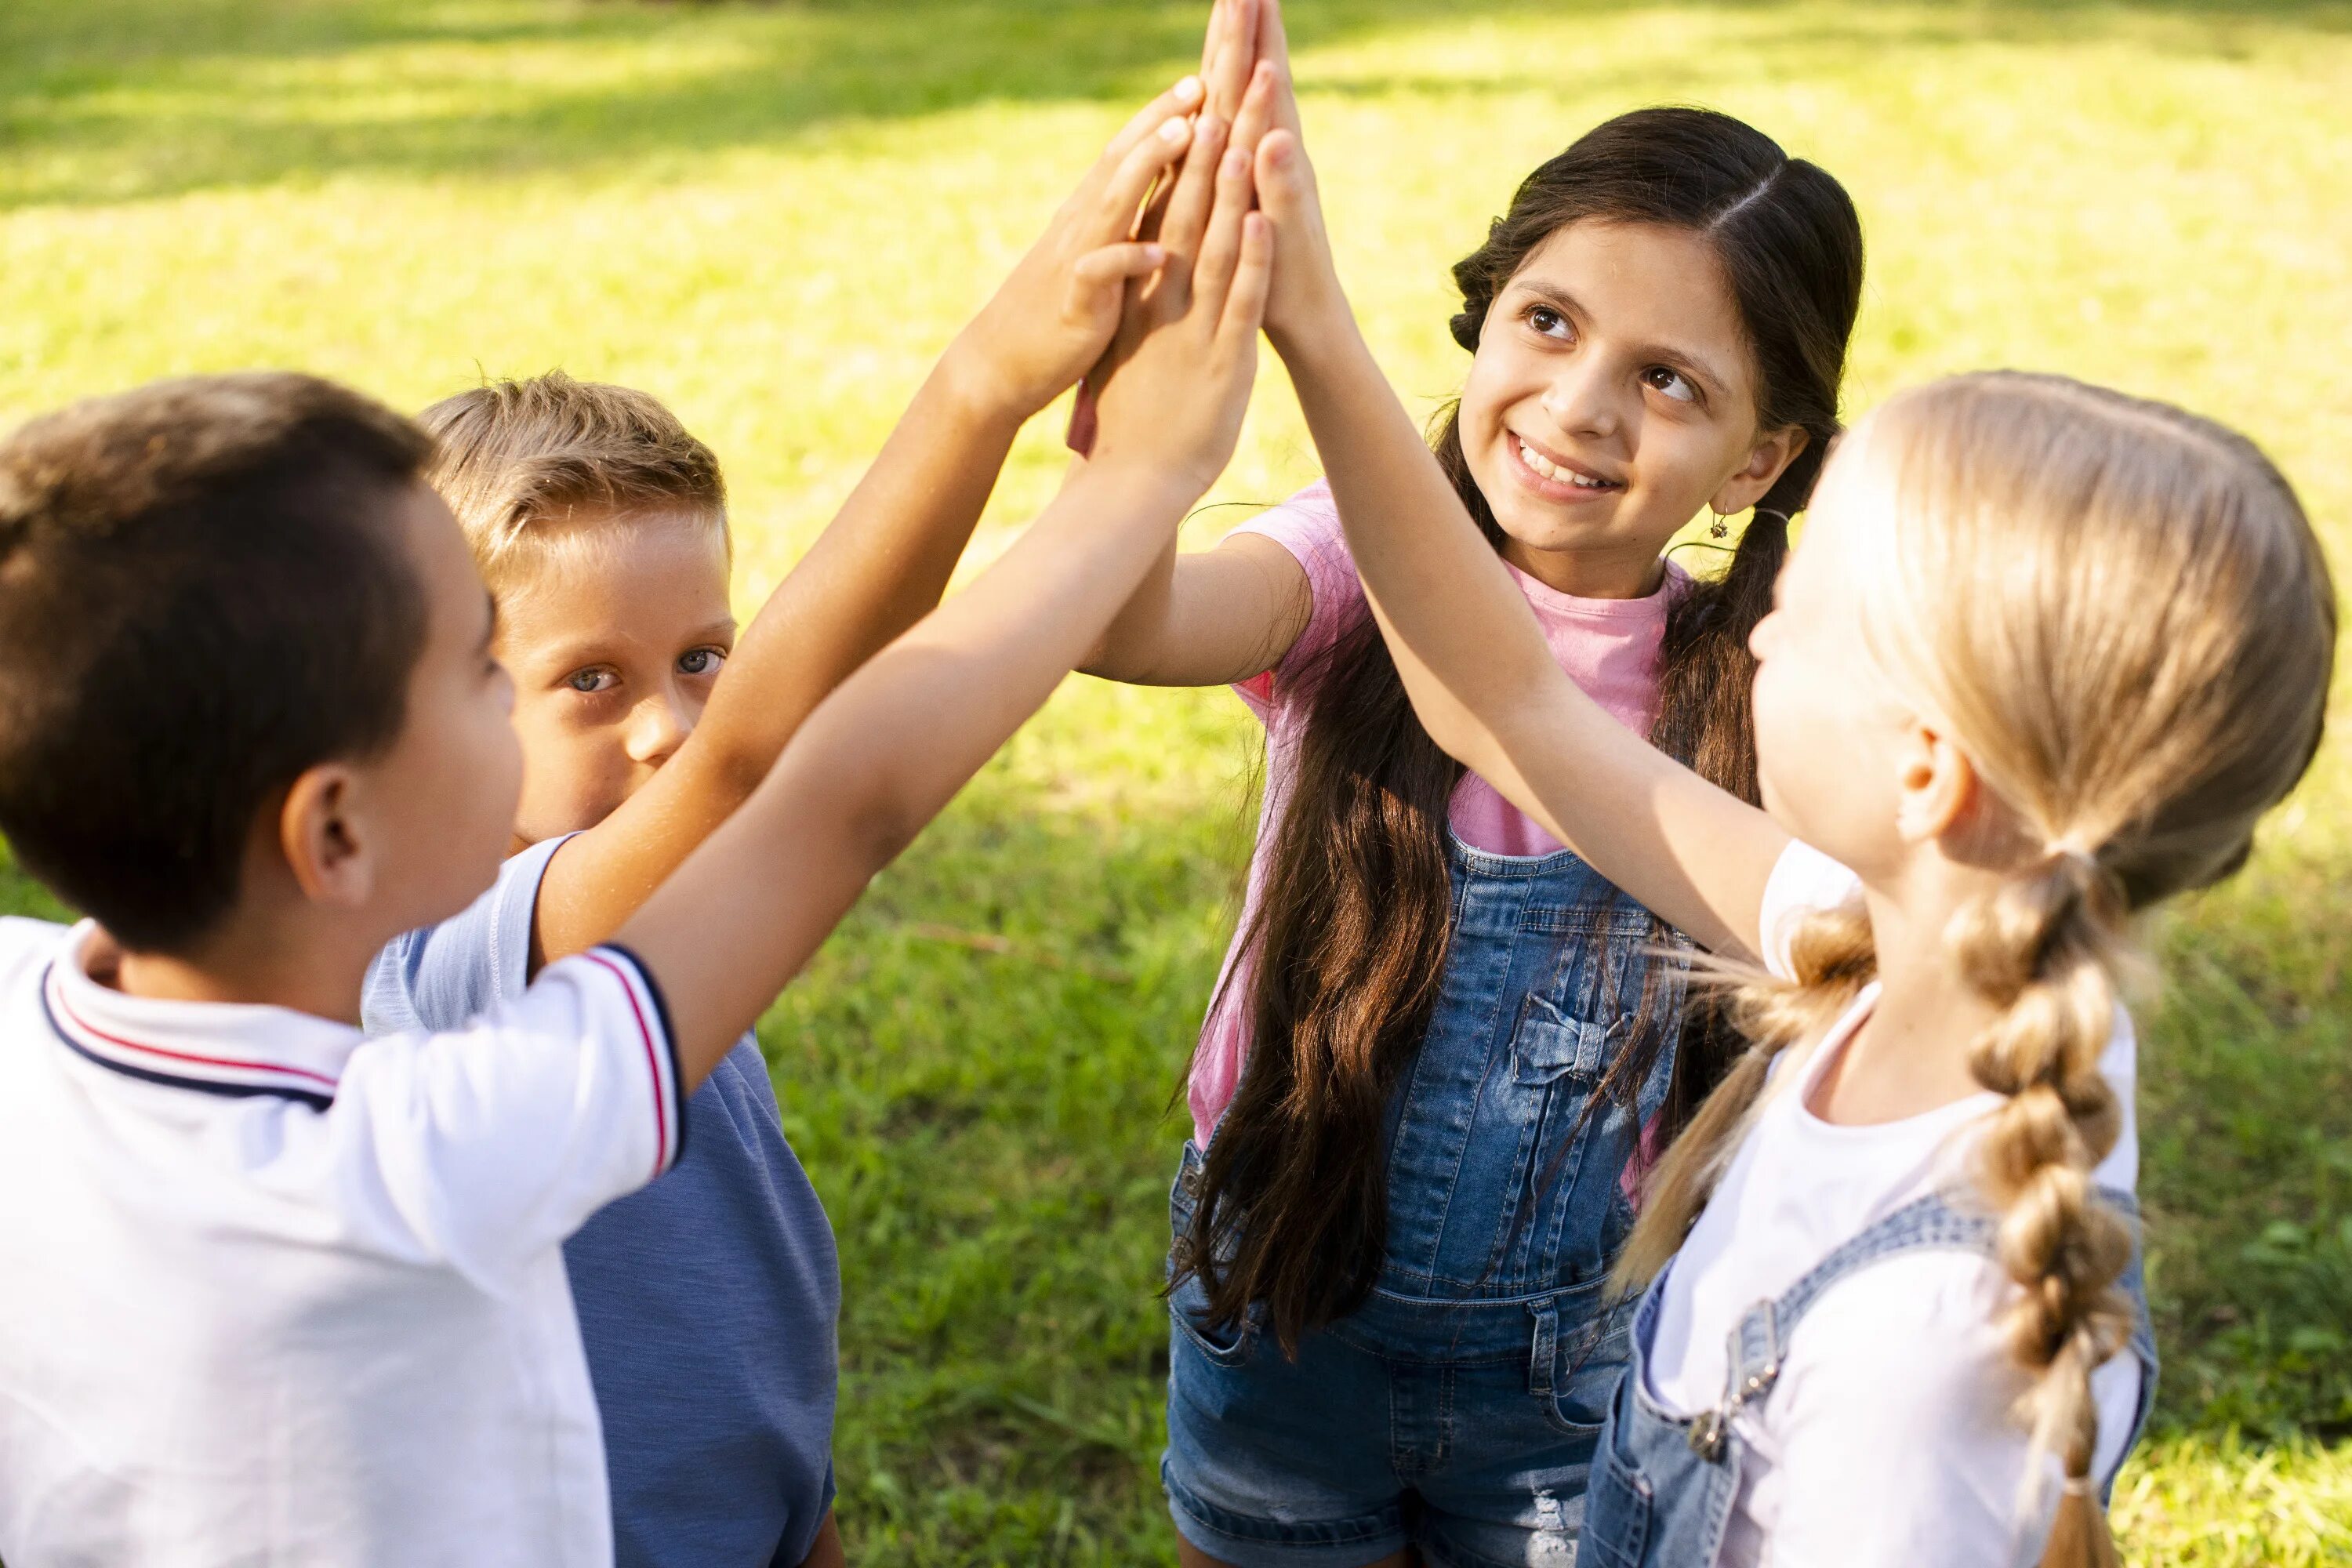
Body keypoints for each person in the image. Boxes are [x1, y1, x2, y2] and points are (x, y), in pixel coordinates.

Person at [0, 59, 1272, 1563]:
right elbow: (800, 785)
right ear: (331, 833)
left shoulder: (32, 1004)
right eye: (480, 671)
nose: (668, 727)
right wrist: (1127, 476)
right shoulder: (424, 1135)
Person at [1252, 103, 2335, 1562]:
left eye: (1803, 615)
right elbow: (1510, 702)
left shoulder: (1922, 1360)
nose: (1754, 634)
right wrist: (1310, 325)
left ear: (1930, 772)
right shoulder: (1928, 955)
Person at [361, 48, 1233, 1554]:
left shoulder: (649, 910)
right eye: (592, 682)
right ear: (423, 700)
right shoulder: (445, 965)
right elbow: (761, 758)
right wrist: (992, 387)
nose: (668, 725)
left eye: (703, 655)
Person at [1086, 5, 1864, 1563]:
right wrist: (1150, 370)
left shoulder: (1769, 685)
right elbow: (1123, 620)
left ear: (1757, 461)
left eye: (1669, 381)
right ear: (1486, 312)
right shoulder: (1338, 559)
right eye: (1551, 323)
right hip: (1287, 1285)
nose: (1579, 406)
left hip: (1576, 1356)